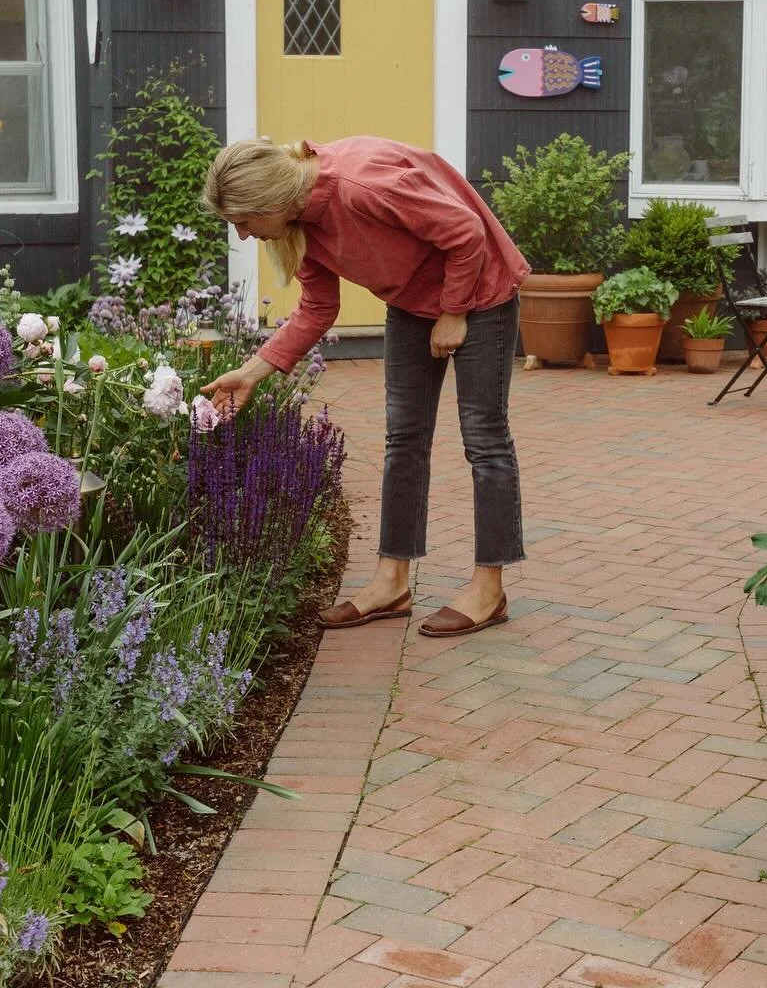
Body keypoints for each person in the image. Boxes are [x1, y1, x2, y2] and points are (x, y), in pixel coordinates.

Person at [202, 136, 530, 637]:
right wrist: (250, 373)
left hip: (480, 291)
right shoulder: (301, 222)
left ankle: (489, 589)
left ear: (270, 202)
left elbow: (466, 232)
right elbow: (317, 309)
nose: (243, 236)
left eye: (243, 222)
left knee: (484, 438)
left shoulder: (363, 186)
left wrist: (454, 311)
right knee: (404, 439)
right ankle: (391, 582)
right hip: (412, 301)